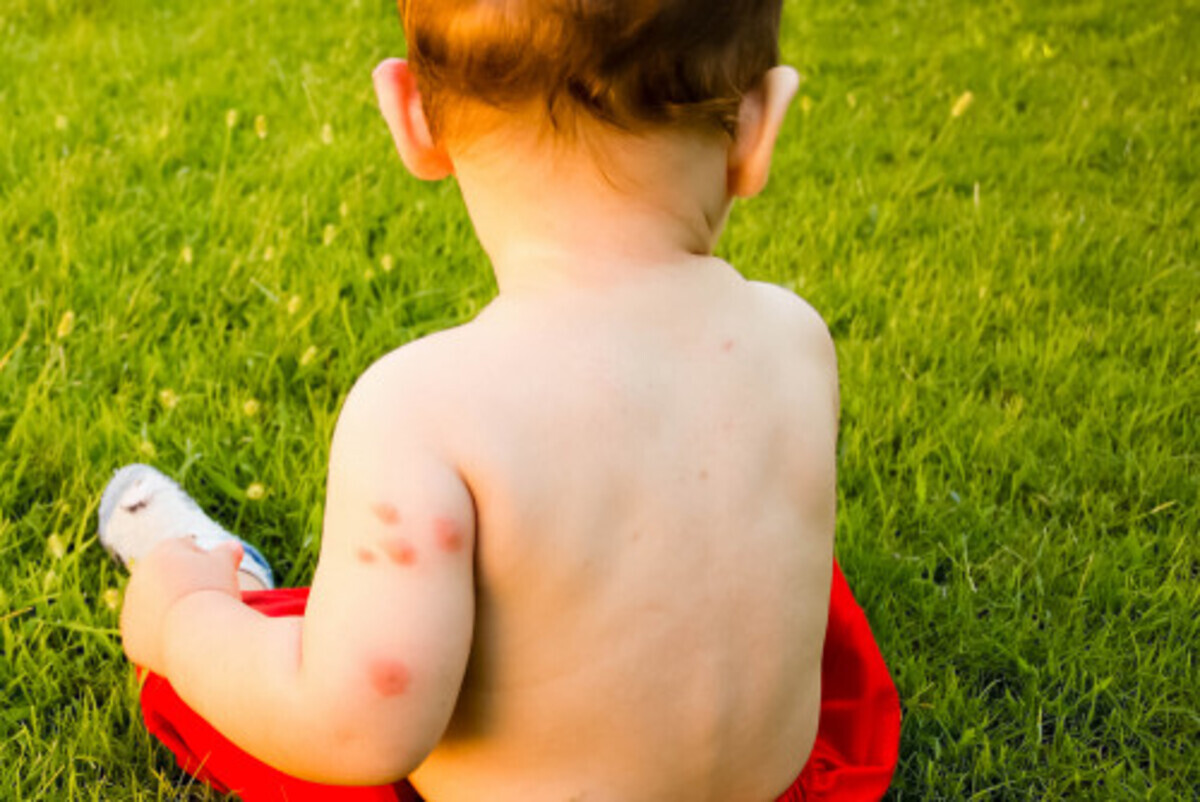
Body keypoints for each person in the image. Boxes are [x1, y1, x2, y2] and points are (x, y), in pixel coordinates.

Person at [100, 1, 901, 799]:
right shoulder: (795, 336)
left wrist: (182, 623)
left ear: (413, 117)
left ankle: (222, 587)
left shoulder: (421, 409)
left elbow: (353, 728)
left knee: (292, 671)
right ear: (760, 127)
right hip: (783, 788)